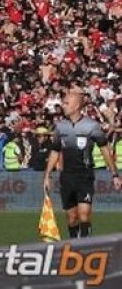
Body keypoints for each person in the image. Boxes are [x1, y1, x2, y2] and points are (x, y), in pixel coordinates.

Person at [44, 88, 122, 238]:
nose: (63, 106)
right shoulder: (60, 127)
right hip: (66, 177)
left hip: (84, 176)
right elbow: (55, 151)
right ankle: (74, 245)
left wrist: (115, 175)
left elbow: (105, 149)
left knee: (84, 215)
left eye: (66, 103)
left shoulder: (91, 126)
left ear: (76, 106)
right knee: (72, 218)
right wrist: (47, 175)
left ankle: (86, 248)